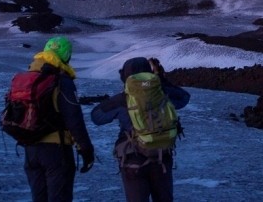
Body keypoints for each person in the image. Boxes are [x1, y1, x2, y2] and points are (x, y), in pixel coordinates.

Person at [91, 57, 190, 202]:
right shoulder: (163, 93)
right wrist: (160, 81)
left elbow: (96, 117)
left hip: (133, 161)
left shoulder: (122, 99)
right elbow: (184, 98)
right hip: (161, 157)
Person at [24, 36, 95, 201]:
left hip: (30, 148)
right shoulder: (61, 80)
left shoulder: (30, 76)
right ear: (66, 55)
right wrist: (86, 149)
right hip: (56, 150)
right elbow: (73, 118)